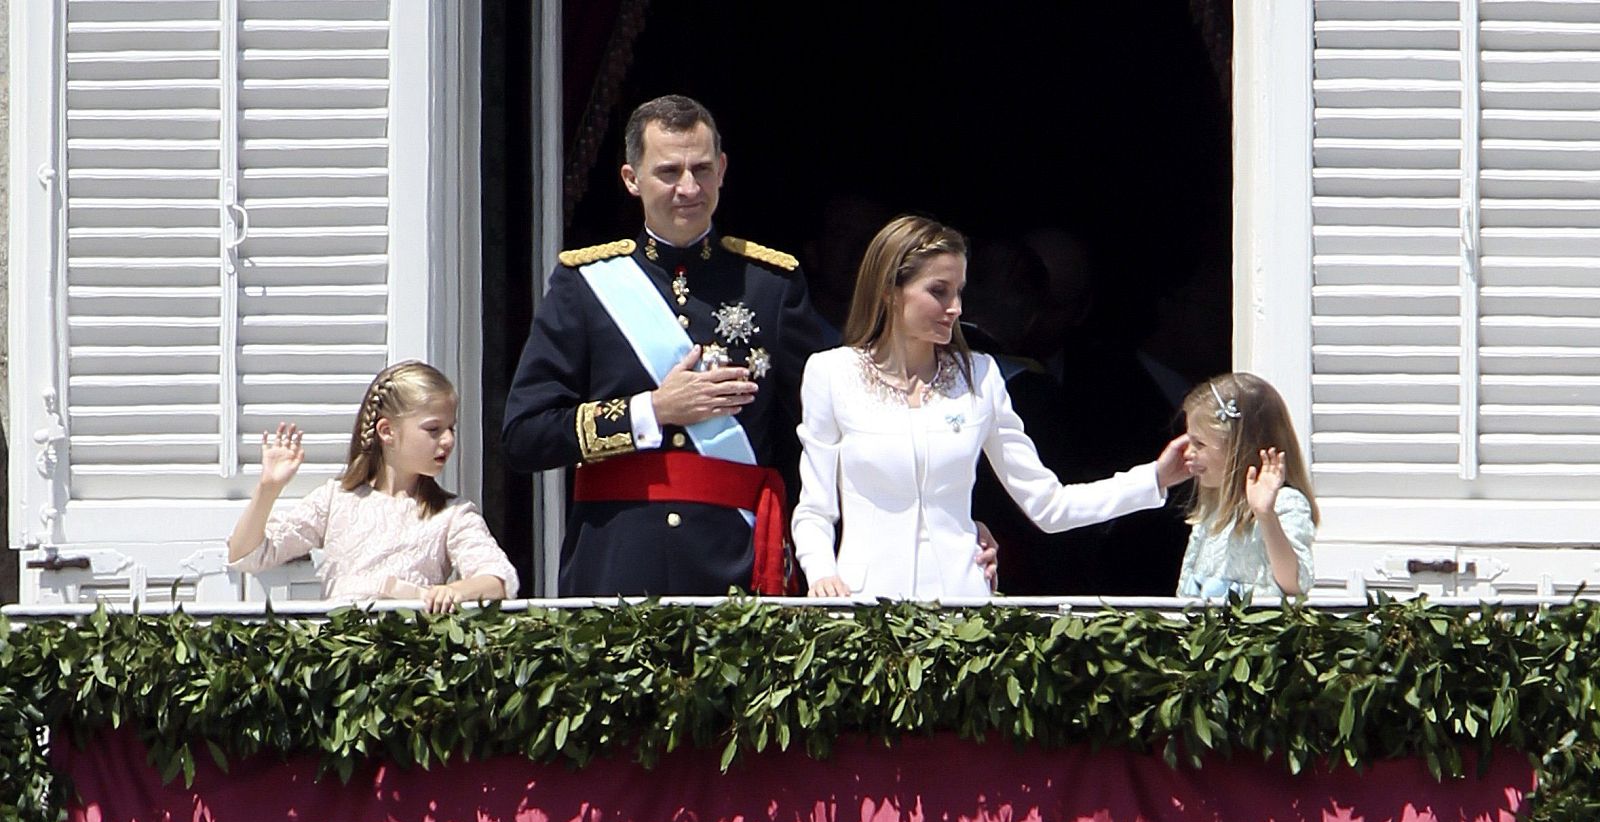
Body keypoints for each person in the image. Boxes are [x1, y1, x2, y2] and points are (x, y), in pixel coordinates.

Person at [501, 94, 833, 596]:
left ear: (722, 170)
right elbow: (524, 436)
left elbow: (837, 421)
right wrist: (651, 411)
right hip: (617, 566)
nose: (688, 187)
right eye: (668, 171)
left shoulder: (771, 286)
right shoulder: (586, 285)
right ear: (632, 179)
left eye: (701, 169)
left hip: (736, 568)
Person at [791, 215, 1190, 600]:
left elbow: (1049, 505)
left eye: (959, 291)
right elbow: (815, 508)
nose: (957, 308)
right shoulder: (831, 373)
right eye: (939, 291)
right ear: (890, 291)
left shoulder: (980, 377)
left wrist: (1154, 478)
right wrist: (822, 572)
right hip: (864, 606)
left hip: (962, 609)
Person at [229, 361, 518, 610]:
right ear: (387, 431)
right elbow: (247, 555)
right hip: (343, 656)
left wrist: (455, 592)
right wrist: (268, 488)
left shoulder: (451, 514)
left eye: (451, 429)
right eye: (433, 429)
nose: (448, 440)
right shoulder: (335, 500)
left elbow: (499, 580)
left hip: (411, 660)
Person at [1177, 372, 1317, 599]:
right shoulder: (1212, 511)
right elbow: (1186, 589)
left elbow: (1295, 583)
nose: (1188, 453)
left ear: (1238, 448)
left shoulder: (1284, 503)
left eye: (1199, 444)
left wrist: (1265, 514)